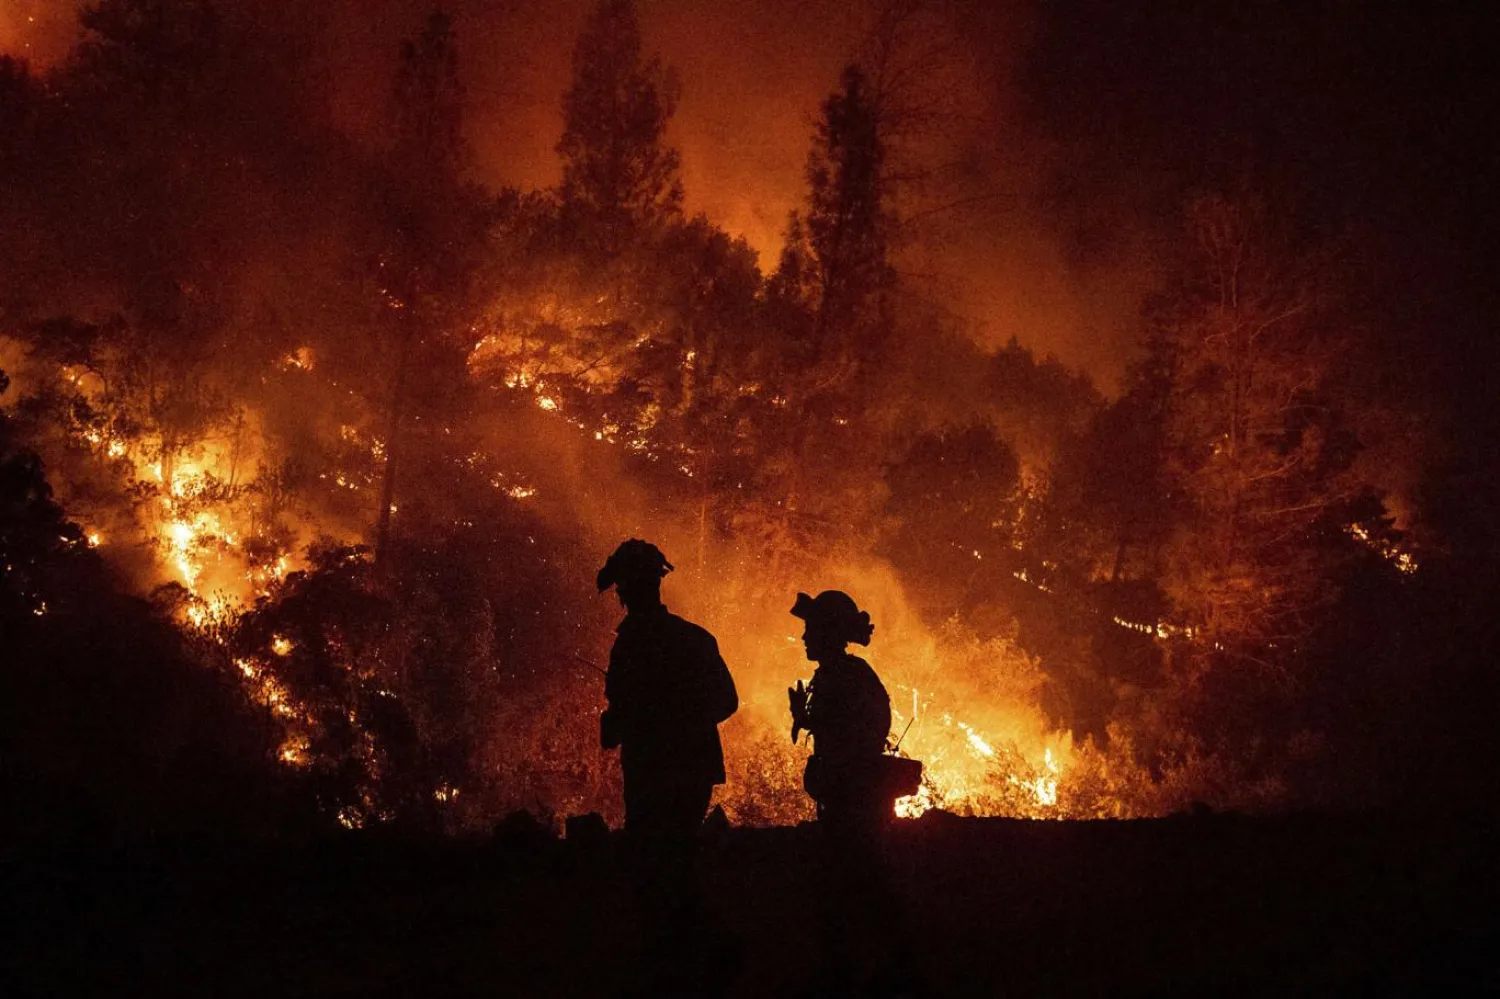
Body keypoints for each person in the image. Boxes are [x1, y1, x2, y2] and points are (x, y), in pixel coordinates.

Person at [596, 538, 739, 988]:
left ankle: (678, 959)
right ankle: (696, 956)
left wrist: (630, 722)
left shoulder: (631, 647)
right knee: (677, 857)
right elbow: (726, 701)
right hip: (693, 770)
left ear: (623, 591)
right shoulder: (695, 638)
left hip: (653, 772)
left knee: (655, 862)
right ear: (658, 583)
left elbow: (627, 707)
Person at [788, 589, 914, 996]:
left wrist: (817, 726)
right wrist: (808, 719)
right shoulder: (840, 675)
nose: (805, 637)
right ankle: (867, 968)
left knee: (857, 883)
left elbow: (858, 734)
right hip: (848, 799)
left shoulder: (847, 676)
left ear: (827, 632)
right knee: (849, 885)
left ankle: (885, 970)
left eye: (810, 629)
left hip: (856, 803)